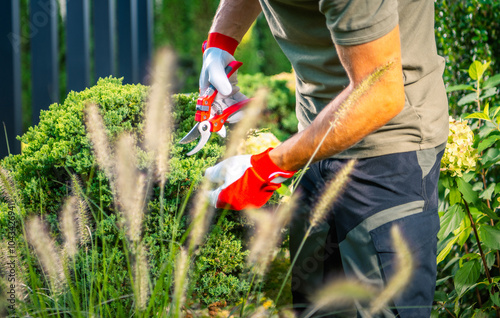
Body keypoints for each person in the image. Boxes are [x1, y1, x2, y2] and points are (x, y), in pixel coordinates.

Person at [199, 0, 449, 316]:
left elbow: (381, 93)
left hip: (387, 155)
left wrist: (267, 168)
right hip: (315, 143)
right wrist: (220, 43)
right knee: (318, 306)